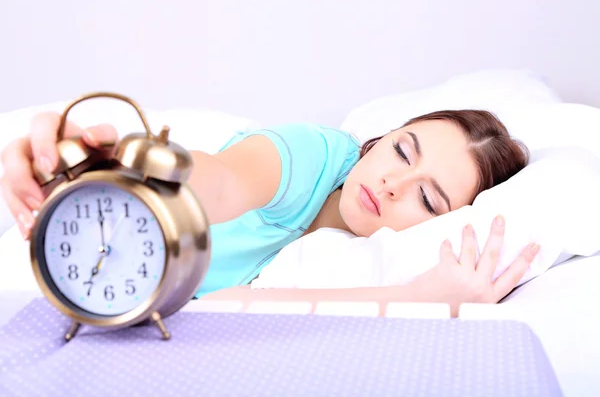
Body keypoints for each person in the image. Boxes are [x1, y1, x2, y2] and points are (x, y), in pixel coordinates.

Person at [0, 109, 538, 316]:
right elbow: (222, 180)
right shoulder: (312, 156)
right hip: (89, 251)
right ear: (380, 140)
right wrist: (121, 164)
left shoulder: (377, 256)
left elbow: (243, 303)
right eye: (401, 150)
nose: (393, 185)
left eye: (427, 199)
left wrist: (424, 295)